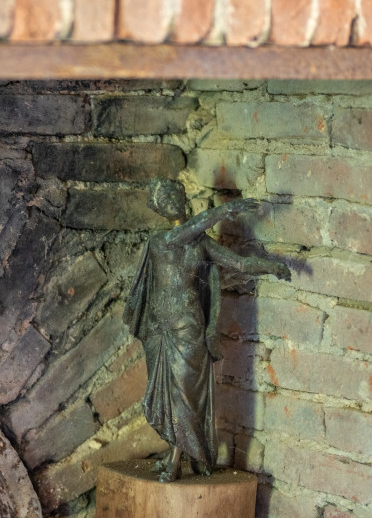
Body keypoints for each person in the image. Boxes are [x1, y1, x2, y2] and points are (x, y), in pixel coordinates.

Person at [125, 199, 292, 482]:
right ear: (159, 209)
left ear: (182, 199)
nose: (171, 199)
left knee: (185, 395)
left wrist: (272, 267)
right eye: (164, 198)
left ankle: (175, 461)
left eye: (173, 193)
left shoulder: (201, 243)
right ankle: (174, 453)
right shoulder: (160, 241)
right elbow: (185, 232)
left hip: (188, 327)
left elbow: (239, 263)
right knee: (167, 395)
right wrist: (224, 211)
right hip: (159, 330)